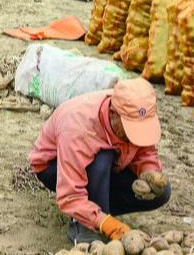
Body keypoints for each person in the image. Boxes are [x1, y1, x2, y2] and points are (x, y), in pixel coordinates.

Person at [28, 78, 171, 244]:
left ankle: (98, 210)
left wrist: (149, 172)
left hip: (110, 165)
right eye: (130, 129)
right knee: (102, 158)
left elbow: (145, 150)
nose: (134, 136)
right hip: (55, 166)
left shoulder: (137, 110)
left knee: (161, 192)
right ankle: (83, 222)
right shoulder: (78, 128)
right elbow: (70, 194)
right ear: (113, 114)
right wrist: (106, 224)